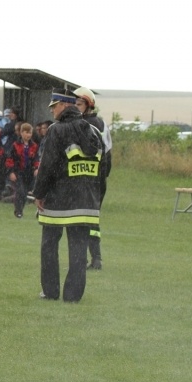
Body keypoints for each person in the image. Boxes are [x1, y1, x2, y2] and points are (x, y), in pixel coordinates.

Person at [34, 92, 105, 303]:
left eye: (54, 107)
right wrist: (97, 198)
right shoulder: (94, 131)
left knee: (49, 246)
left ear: (64, 105)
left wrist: (39, 193)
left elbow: (47, 165)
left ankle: (51, 291)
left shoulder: (56, 131)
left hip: (58, 200)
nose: (52, 111)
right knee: (79, 250)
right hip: (86, 201)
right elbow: (104, 168)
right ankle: (73, 296)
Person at [73, 87, 113, 270]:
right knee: (91, 218)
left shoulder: (89, 125)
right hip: (98, 178)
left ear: (88, 105)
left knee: (85, 218)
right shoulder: (101, 123)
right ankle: (94, 257)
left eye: (79, 103)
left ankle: (93, 258)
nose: (75, 106)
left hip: (89, 178)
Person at [5, 123, 38, 218]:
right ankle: (18, 211)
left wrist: (36, 168)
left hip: (29, 173)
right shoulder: (15, 145)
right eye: (26, 132)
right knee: (21, 191)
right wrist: (11, 172)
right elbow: (10, 159)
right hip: (18, 172)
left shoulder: (34, 146)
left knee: (26, 191)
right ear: (21, 133)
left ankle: (21, 209)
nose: (28, 135)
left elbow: (36, 159)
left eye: (30, 133)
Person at [0, 106, 22, 200]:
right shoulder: (21, 123)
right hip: (12, 151)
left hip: (8, 152)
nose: (9, 114)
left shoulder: (12, 124)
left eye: (11, 113)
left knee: (2, 173)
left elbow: (3, 133)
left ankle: (1, 193)